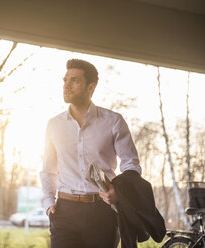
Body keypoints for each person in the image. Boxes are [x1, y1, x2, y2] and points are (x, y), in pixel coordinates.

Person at [40, 59, 141, 248]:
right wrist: (48, 201)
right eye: (65, 80)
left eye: (75, 80)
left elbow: (131, 163)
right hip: (64, 210)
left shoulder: (113, 121)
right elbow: (48, 169)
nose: (66, 85)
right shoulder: (54, 125)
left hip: (101, 211)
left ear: (91, 87)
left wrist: (119, 192)